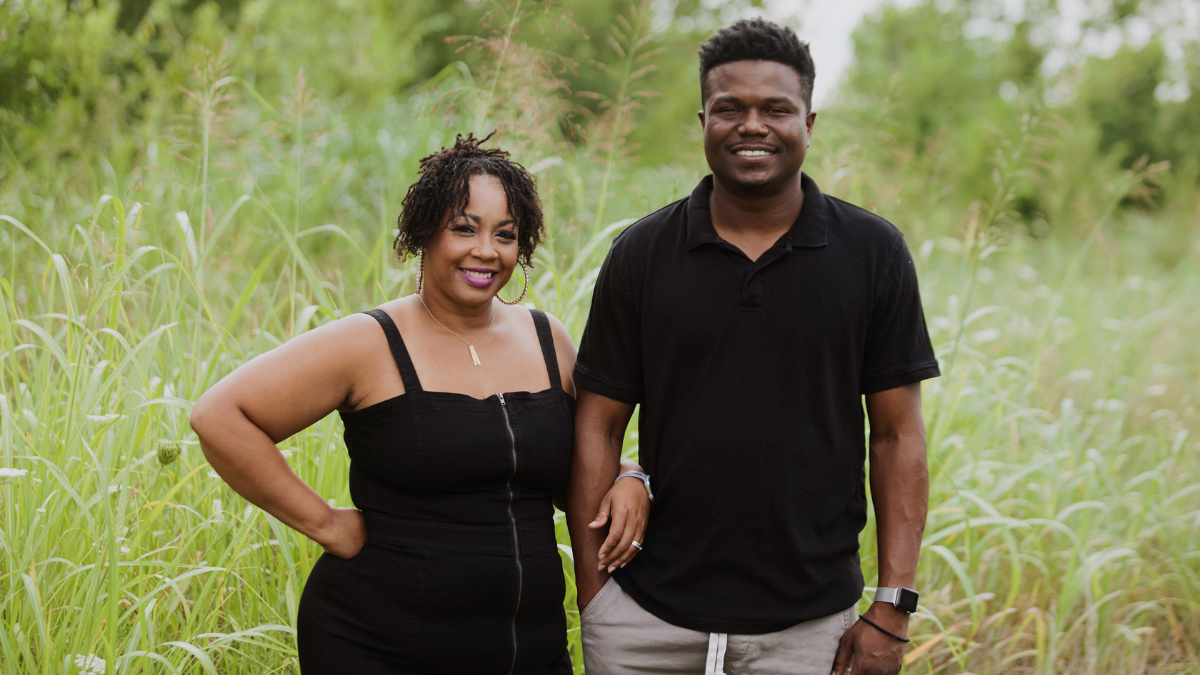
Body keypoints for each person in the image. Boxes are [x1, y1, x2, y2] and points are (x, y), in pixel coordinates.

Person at [190, 133, 650, 675]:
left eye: (505, 234)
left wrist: (629, 475)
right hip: (379, 644)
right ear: (423, 234)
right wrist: (327, 523)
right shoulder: (368, 342)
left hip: (527, 648)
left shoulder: (548, 337)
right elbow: (220, 415)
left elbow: (565, 463)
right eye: (464, 228)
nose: (486, 250)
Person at [567, 19, 940, 675]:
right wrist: (597, 599)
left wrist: (892, 607)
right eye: (730, 108)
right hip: (646, 620)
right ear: (703, 118)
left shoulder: (872, 253)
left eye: (776, 108)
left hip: (808, 628)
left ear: (810, 121)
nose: (752, 125)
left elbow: (896, 435)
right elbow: (596, 425)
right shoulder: (642, 255)